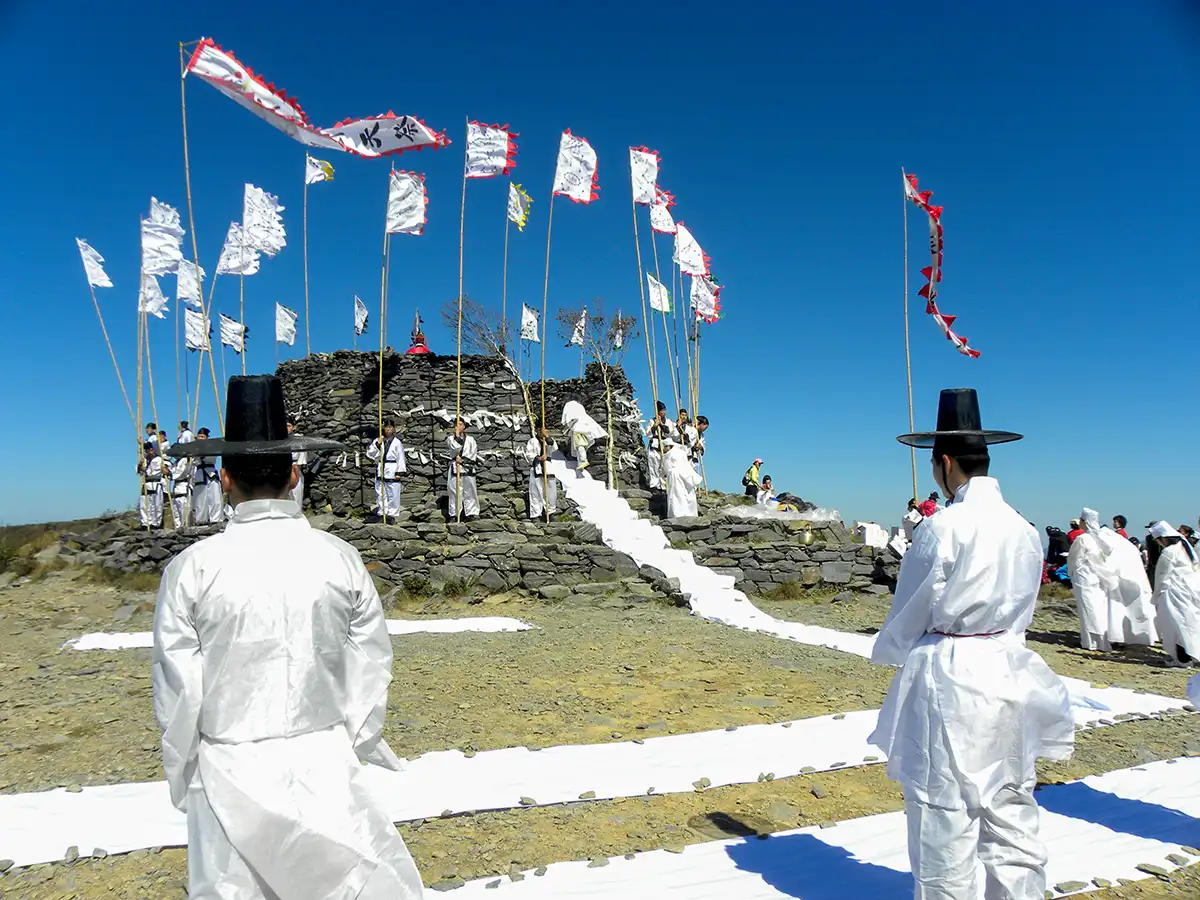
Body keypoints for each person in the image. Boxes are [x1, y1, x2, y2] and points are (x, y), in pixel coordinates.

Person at [155, 375, 422, 899]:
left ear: (225, 479)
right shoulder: (339, 559)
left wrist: (186, 773)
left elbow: (180, 692)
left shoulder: (192, 570)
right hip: (324, 758)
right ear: (294, 472)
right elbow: (371, 666)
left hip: (229, 765)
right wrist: (353, 741)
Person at [870, 388, 1073, 900]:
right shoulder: (1024, 529)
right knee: (1010, 807)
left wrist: (891, 648)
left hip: (952, 672)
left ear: (944, 463)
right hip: (1009, 664)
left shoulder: (944, 527)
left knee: (944, 815)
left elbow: (911, 609)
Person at [1069, 508, 1157, 651]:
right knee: (1098, 610)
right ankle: (1101, 640)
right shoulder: (1103, 538)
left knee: (1087, 610)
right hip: (1099, 579)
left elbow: (1074, 558)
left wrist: (1071, 570)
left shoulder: (1082, 539)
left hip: (1084, 577)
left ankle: (1090, 642)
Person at [1149, 521, 1200, 668]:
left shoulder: (1169, 551)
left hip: (1174, 592)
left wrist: (1155, 596)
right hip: (1189, 590)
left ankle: (1183, 660)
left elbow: (1161, 576)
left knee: (1176, 627)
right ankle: (1186, 657)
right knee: (1188, 625)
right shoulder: (1184, 547)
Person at [367, 419, 406, 520]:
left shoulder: (397, 443)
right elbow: (371, 454)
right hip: (381, 468)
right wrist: (377, 445)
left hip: (392, 468)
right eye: (386, 428)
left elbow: (400, 457)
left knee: (393, 492)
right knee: (380, 492)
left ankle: (392, 514)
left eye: (390, 428)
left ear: (393, 429)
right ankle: (382, 512)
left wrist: (399, 472)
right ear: (383, 429)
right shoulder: (378, 440)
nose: (388, 430)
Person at [446, 418, 480, 520]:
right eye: (456, 425)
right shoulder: (450, 439)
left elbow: (473, 453)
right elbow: (454, 448)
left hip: (467, 467)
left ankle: (472, 512)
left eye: (460, 424)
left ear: (464, 426)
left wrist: (463, 460)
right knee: (454, 492)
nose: (458, 426)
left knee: (470, 491)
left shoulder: (470, 439)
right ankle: (454, 514)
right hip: (455, 467)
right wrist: (456, 436)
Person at [524, 419, 558, 520]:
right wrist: (538, 458)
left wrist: (547, 437)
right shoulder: (532, 441)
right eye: (542, 429)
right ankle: (536, 514)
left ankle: (550, 512)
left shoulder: (549, 441)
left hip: (548, 468)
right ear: (538, 430)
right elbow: (528, 454)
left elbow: (554, 448)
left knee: (551, 492)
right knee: (536, 492)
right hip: (537, 468)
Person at [561, 399, 606, 472]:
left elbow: (569, 415)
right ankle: (580, 463)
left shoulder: (569, 404)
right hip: (584, 425)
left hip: (577, 427)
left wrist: (567, 424)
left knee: (579, 445)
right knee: (581, 445)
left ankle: (583, 461)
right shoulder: (580, 406)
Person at [663, 437, 703, 518]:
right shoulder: (681, 452)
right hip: (686, 474)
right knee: (687, 495)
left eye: (665, 447)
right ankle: (690, 514)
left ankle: (676, 515)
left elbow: (667, 467)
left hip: (675, 475)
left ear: (669, 446)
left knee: (676, 495)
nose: (664, 449)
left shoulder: (669, 454)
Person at [643, 401, 674, 488]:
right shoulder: (652, 421)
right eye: (661, 410)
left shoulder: (668, 421)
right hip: (655, 445)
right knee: (654, 467)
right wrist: (655, 426)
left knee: (664, 467)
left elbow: (670, 432)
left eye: (664, 410)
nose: (663, 412)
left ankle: (663, 486)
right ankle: (654, 485)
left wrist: (661, 424)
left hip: (665, 446)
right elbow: (648, 433)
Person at [138, 442, 164, 528]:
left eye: (149, 450)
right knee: (144, 505)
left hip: (155, 483)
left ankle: (155, 523)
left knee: (156, 505)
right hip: (146, 483)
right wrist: (140, 466)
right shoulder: (144, 460)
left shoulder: (158, 459)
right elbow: (139, 472)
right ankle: (145, 523)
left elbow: (152, 472)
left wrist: (144, 469)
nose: (148, 452)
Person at [168, 452, 193, 532]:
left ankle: (185, 530)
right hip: (176, 490)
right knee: (176, 515)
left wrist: (169, 473)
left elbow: (180, 474)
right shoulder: (175, 463)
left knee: (184, 515)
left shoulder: (185, 461)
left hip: (184, 488)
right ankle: (177, 530)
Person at [287, 417, 307, 510]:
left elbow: (301, 456)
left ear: (293, 426)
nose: (286, 428)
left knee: (296, 495)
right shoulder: (277, 440)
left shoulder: (298, 439)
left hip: (295, 468)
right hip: (281, 470)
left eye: (288, 426)